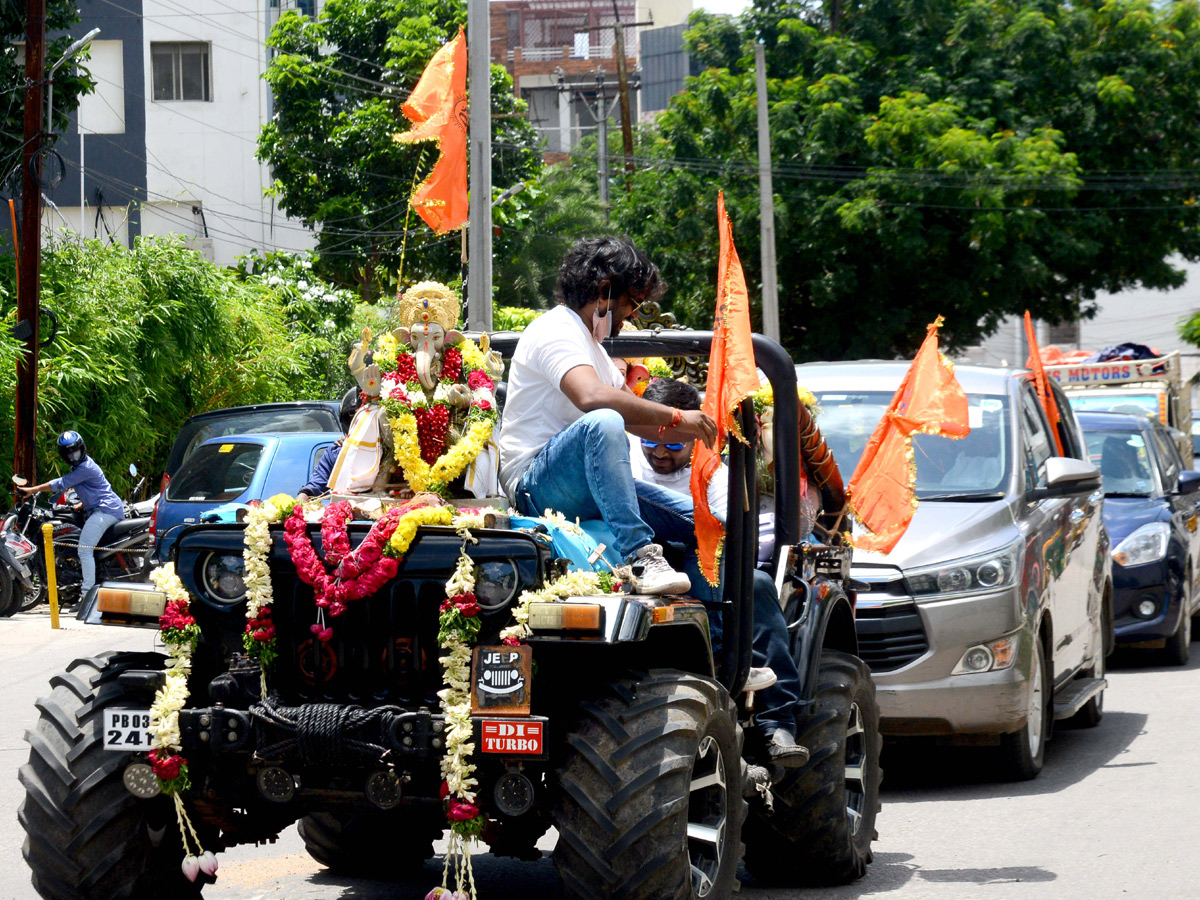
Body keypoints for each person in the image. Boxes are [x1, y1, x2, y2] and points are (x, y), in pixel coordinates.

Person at [498, 236, 718, 596]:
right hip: (535, 484)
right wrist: (678, 418)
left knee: (706, 525)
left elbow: (637, 419)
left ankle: (716, 639)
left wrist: (700, 428)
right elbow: (592, 398)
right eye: (632, 303)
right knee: (603, 419)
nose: (632, 315)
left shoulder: (594, 350)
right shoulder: (555, 329)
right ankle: (641, 555)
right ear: (603, 291)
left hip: (580, 483)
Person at [631, 378, 808, 766]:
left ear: (695, 436)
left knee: (757, 586)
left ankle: (775, 720)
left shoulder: (715, 472)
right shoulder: (621, 454)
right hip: (633, 565)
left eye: (674, 445)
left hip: (703, 564)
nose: (659, 453)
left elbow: (726, 534)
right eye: (651, 442)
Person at [17, 431, 125, 597]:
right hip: (104, 508)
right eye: (69, 453)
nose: (74, 456)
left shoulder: (85, 467)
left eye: (76, 451)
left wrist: (32, 490)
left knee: (84, 551)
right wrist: (83, 503)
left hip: (105, 510)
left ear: (82, 448)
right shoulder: (83, 466)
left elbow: (61, 483)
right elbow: (96, 487)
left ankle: (87, 595)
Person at [296, 388, 359, 502]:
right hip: (346, 516)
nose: (360, 424)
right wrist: (301, 499)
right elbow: (316, 484)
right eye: (353, 417)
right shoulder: (336, 452)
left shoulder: (393, 451)